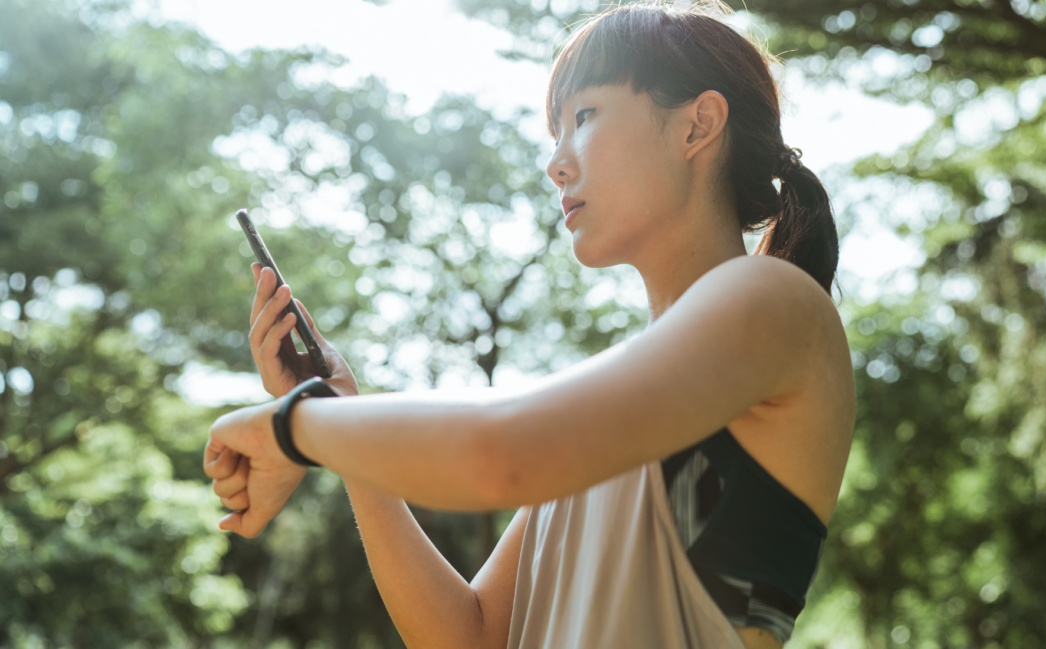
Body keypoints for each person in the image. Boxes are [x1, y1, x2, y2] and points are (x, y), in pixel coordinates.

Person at [203, 3, 854, 648]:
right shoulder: (610, 410)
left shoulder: (774, 301)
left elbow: (498, 455)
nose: (557, 162)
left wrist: (298, 426)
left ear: (697, 125)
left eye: (585, 115)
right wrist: (341, 410)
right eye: (554, 133)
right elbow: (472, 634)